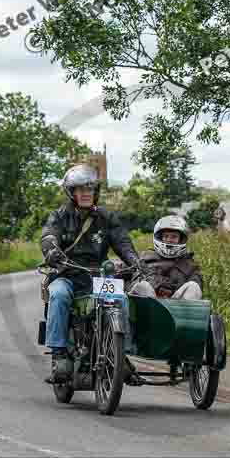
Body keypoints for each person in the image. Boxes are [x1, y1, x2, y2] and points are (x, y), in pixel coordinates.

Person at [41, 164, 141, 383]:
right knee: (58, 295)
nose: (86, 194)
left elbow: (122, 242)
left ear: (95, 192)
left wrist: (134, 261)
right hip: (66, 274)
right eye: (80, 189)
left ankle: (120, 354)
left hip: (98, 277)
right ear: (71, 192)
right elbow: (49, 236)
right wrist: (52, 252)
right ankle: (60, 355)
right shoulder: (59, 216)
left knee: (121, 299)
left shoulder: (107, 217)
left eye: (90, 189)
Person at [130, 215, 203, 300]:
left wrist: (171, 289)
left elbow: (198, 285)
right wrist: (157, 285)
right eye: (166, 236)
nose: (169, 240)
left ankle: (183, 313)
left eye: (174, 236)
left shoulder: (190, 265)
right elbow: (134, 282)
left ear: (181, 239)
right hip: (148, 305)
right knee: (143, 286)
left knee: (193, 287)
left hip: (176, 306)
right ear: (160, 237)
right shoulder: (144, 258)